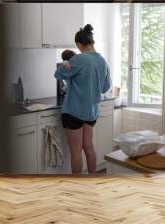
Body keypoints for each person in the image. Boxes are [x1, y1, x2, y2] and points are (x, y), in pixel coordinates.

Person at [54, 24, 111, 174]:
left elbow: (58, 74)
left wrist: (65, 64)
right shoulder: (103, 61)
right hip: (91, 113)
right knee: (89, 147)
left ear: (79, 44)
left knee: (76, 151)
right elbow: (105, 88)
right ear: (92, 42)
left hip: (74, 112)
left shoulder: (79, 59)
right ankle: (93, 180)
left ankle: (78, 187)